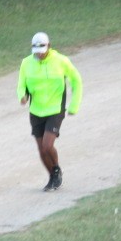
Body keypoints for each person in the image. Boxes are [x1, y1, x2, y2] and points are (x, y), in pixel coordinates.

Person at [17, 32, 83, 191]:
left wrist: (74, 105)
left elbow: (76, 80)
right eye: (36, 51)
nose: (39, 54)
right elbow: (21, 84)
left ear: (49, 46)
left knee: (47, 146)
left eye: (42, 50)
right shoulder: (26, 63)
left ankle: (56, 169)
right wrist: (22, 96)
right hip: (36, 110)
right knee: (41, 149)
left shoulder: (61, 61)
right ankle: (53, 177)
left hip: (55, 108)